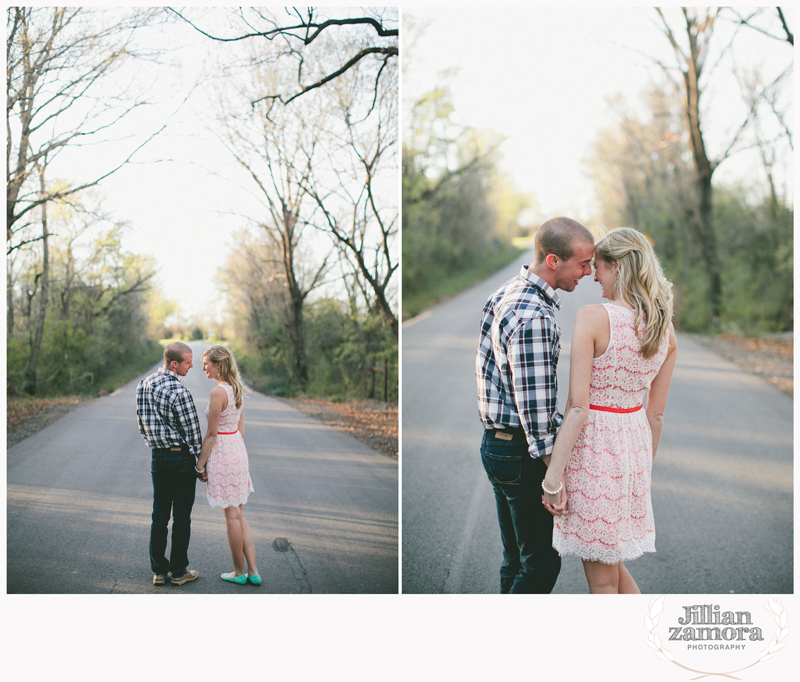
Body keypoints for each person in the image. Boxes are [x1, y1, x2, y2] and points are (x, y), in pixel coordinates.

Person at [542, 227, 678, 594]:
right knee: (612, 568)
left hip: (597, 455)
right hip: (635, 452)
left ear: (617, 267)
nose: (594, 277)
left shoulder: (592, 317)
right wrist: (642, 470)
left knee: (602, 580)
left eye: (598, 268)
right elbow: (657, 416)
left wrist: (552, 480)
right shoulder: (664, 330)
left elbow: (577, 408)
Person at [476, 216, 595, 593]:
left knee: (517, 560)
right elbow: (538, 417)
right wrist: (553, 480)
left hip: (498, 445)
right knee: (541, 566)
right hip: (520, 454)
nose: (589, 273)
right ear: (554, 261)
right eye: (583, 263)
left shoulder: (508, 292)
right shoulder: (535, 317)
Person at [136, 341, 204, 586]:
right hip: (180, 458)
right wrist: (200, 465)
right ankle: (178, 572)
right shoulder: (180, 391)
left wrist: (155, 444)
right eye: (188, 361)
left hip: (158, 457)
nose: (192, 365)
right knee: (182, 516)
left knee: (159, 515)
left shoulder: (143, 385)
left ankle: (159, 571)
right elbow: (194, 435)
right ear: (174, 364)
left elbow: (142, 425)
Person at [194, 345, 260, 586]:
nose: (203, 368)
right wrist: (236, 452)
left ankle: (239, 572)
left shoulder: (218, 393)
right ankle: (253, 571)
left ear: (218, 365)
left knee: (232, 516)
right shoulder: (236, 387)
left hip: (223, 451)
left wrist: (200, 465)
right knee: (239, 514)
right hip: (237, 450)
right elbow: (240, 427)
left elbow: (212, 435)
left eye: (206, 364)